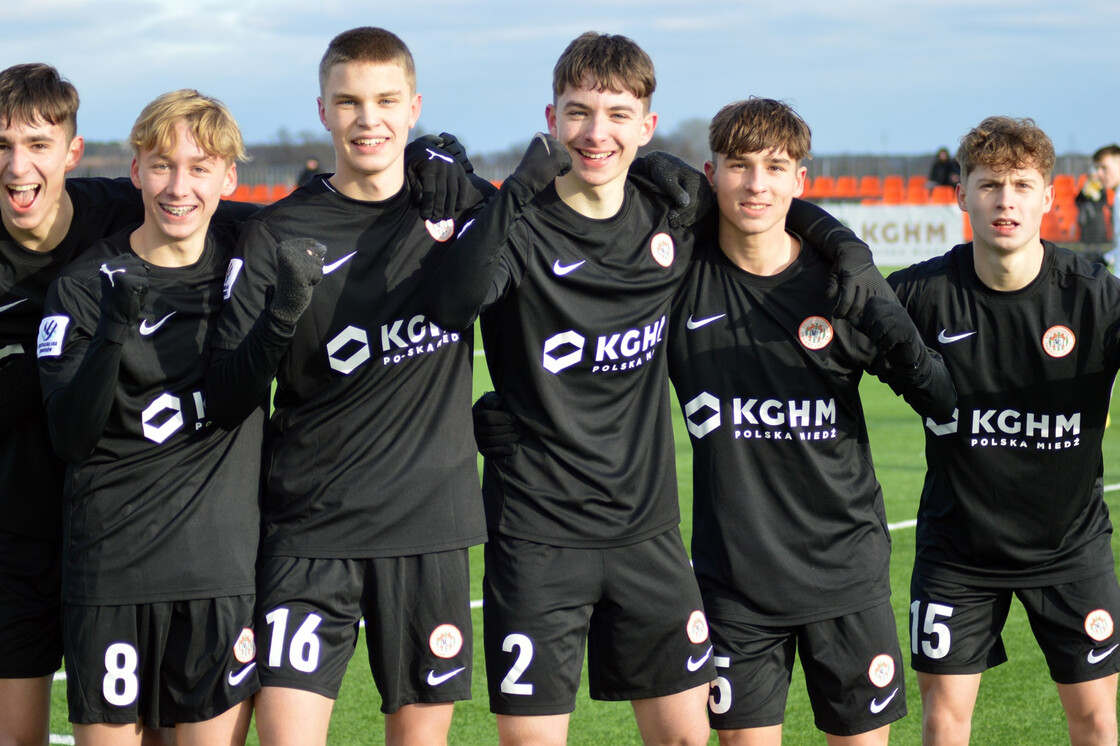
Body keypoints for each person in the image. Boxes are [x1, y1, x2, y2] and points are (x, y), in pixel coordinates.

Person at [431, 32, 892, 745]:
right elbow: (451, 305)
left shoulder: (668, 211)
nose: (596, 132)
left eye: (618, 114)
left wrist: (843, 244)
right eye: (578, 112)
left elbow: (765, 196)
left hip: (649, 535)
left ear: (646, 127)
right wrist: (510, 192)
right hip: (537, 535)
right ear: (550, 120)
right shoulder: (519, 229)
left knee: (685, 735)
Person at [208, 27, 490, 746]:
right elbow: (227, 390)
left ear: (414, 106)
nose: (369, 119)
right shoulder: (277, 234)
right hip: (310, 529)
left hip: (428, 529)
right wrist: (279, 316)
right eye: (350, 102)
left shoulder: (459, 211)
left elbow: (573, 210)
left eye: (386, 100)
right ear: (324, 111)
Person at [669, 97, 955, 746]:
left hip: (845, 576)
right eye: (739, 166)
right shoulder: (678, 280)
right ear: (711, 174)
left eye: (775, 167)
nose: (757, 183)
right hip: (734, 583)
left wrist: (891, 321)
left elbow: (940, 397)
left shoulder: (841, 286)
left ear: (801, 181)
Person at [36, 89, 273, 745]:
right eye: (163, 165)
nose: (179, 186)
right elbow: (70, 434)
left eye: (200, 168)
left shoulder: (249, 266)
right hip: (109, 576)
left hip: (218, 579)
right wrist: (116, 327)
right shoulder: (84, 285)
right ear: (136, 170)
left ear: (229, 177)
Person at [891, 117, 1120, 745]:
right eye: (990, 184)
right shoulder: (920, 293)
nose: (1006, 200)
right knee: (943, 721)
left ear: (1050, 196)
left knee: (1098, 722)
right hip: (957, 553)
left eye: (1023, 184)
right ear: (961, 193)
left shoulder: (1096, 298)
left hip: (1071, 549)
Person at [0, 62, 163, 746]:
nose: (17, 167)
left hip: (124, 540)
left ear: (71, 151)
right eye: (1, 147)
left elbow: (263, 221)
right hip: (12, 545)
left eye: (37, 145)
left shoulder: (121, 217)